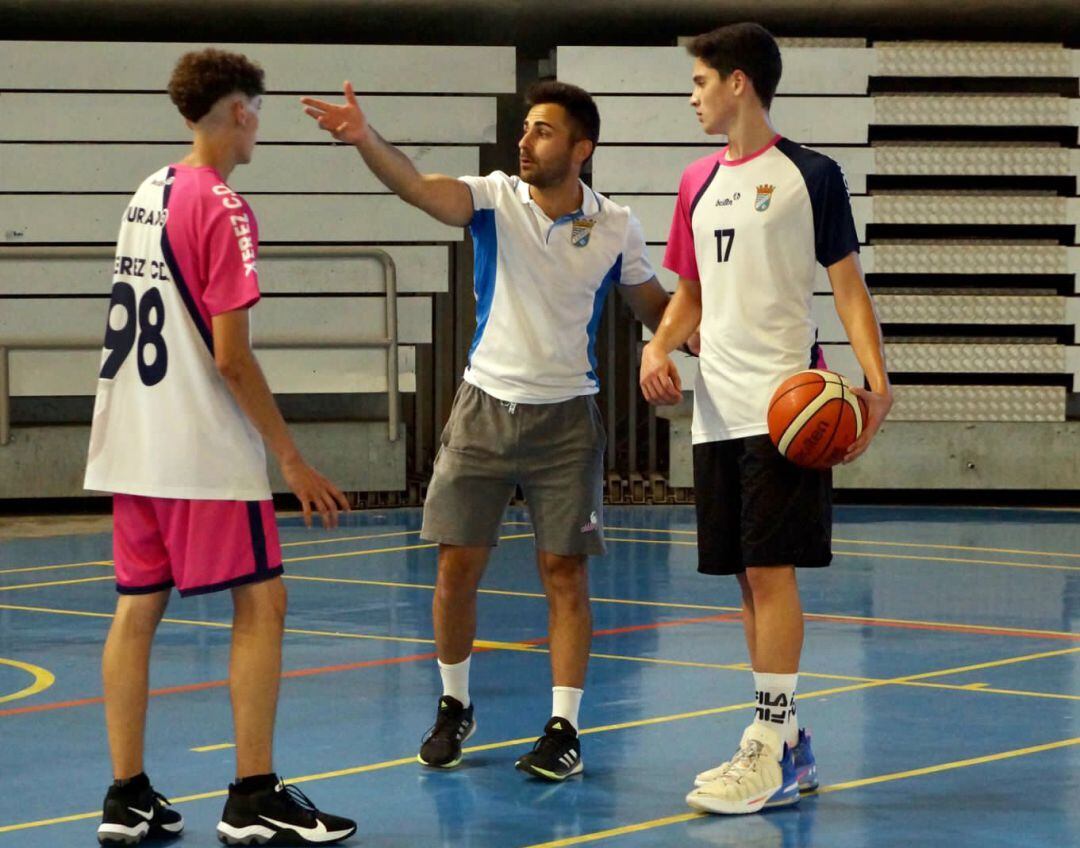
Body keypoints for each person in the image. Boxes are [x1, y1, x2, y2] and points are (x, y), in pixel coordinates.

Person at [302, 80, 672, 781]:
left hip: (568, 419)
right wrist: (365, 140)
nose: (525, 141)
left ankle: (563, 727)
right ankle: (453, 704)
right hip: (483, 407)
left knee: (565, 574)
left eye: (543, 131)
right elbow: (416, 187)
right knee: (454, 569)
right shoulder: (493, 199)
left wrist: (718, 336)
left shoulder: (617, 225)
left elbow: (658, 307)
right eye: (526, 128)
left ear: (581, 147)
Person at [85, 48, 356, 845]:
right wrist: (291, 458)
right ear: (239, 111)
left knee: (137, 609)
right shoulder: (225, 207)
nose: (258, 124)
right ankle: (253, 796)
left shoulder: (149, 190)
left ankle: (126, 794)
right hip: (197, 447)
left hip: (131, 439)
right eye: (257, 109)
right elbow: (230, 356)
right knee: (263, 600)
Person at [639, 23, 892, 815]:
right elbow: (690, 293)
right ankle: (782, 742)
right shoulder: (693, 182)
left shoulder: (811, 174)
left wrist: (877, 387)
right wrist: (659, 346)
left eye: (701, 82)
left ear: (739, 83)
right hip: (717, 410)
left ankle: (771, 744)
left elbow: (847, 289)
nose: (693, 97)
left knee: (773, 571)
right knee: (747, 582)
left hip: (789, 408)